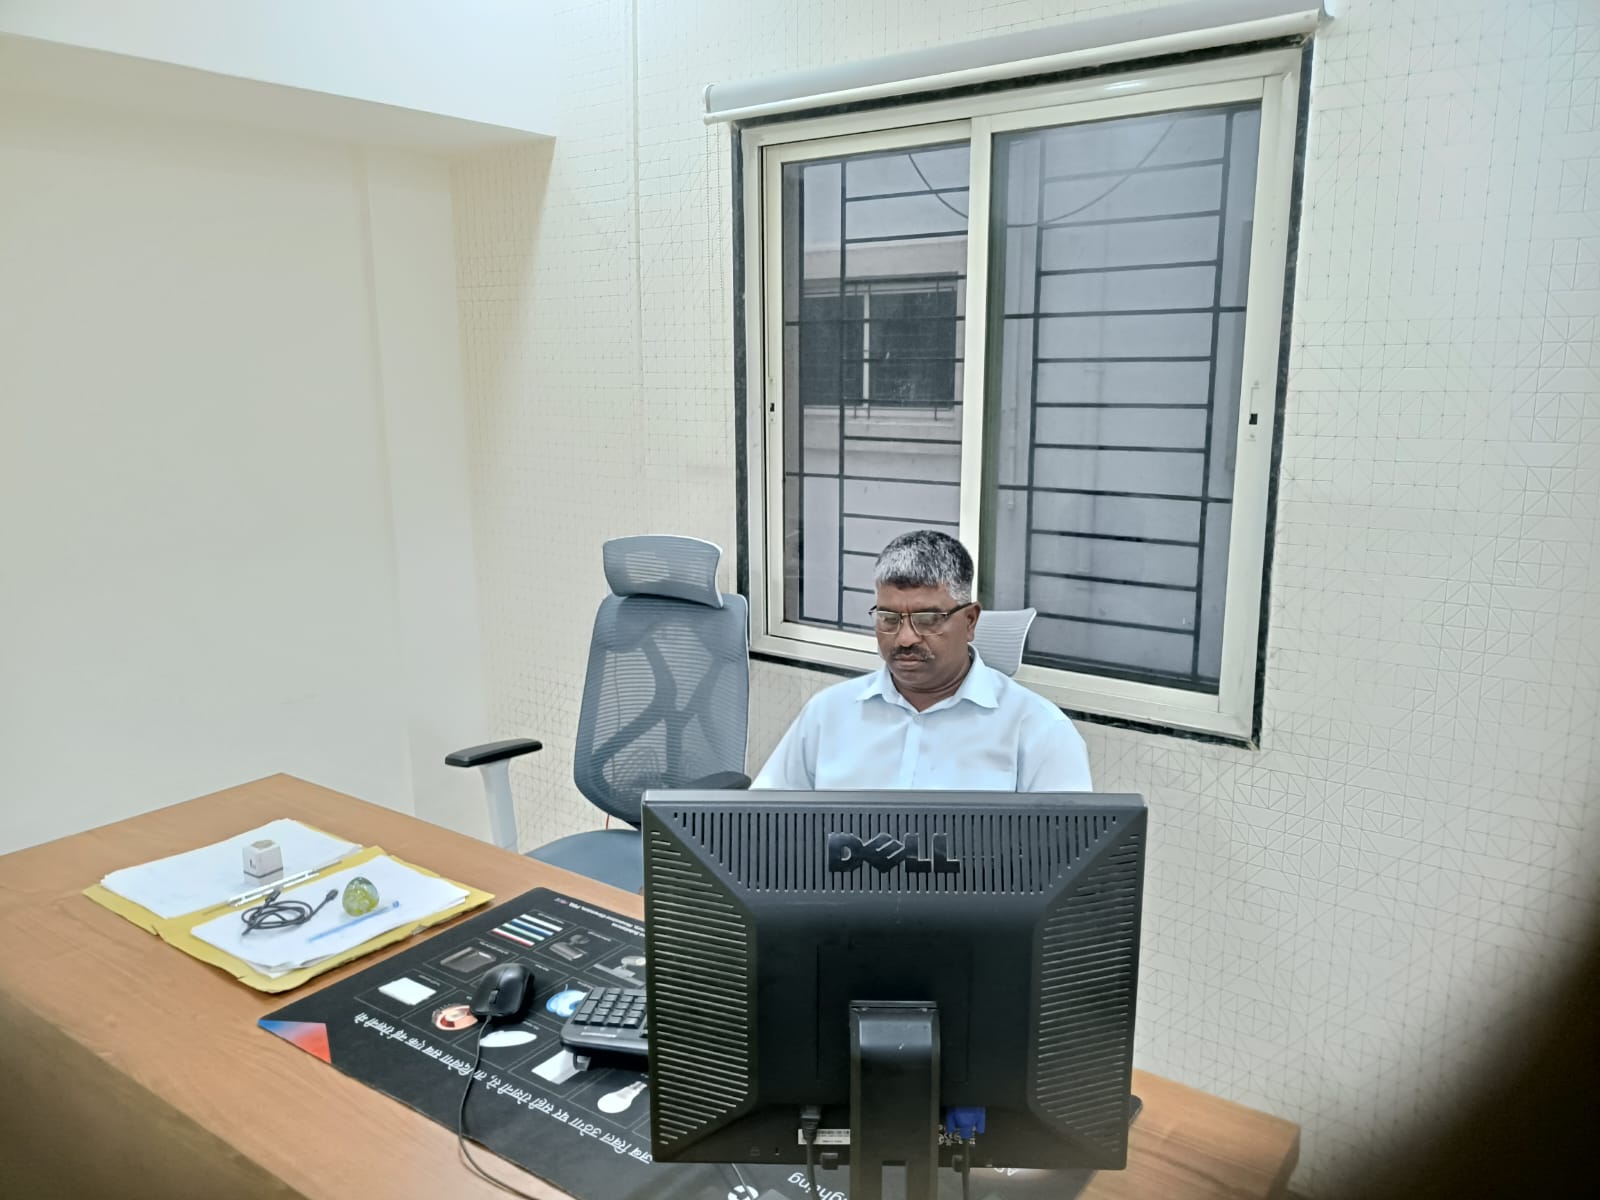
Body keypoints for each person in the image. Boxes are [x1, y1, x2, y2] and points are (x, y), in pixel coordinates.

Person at [752, 530, 1092, 791]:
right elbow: (762, 826)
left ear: (970, 621)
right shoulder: (827, 714)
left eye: (928, 620)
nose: (905, 639)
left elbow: (1069, 855)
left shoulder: (1038, 730)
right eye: (888, 618)